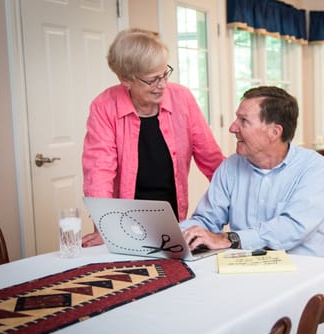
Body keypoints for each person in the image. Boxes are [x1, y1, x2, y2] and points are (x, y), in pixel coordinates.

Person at [82, 28, 224, 247]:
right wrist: (105, 226)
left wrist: (238, 200)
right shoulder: (105, 106)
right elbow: (99, 171)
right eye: (152, 80)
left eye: (164, 74)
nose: (162, 85)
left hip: (173, 218)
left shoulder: (182, 98)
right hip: (124, 221)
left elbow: (211, 157)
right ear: (125, 79)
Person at [180, 86, 324, 256]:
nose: (232, 127)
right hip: (242, 268)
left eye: (243, 120)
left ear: (274, 132)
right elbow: (206, 220)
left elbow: (293, 227)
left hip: (299, 270)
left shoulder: (314, 168)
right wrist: (178, 234)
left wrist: (229, 239)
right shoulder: (230, 167)